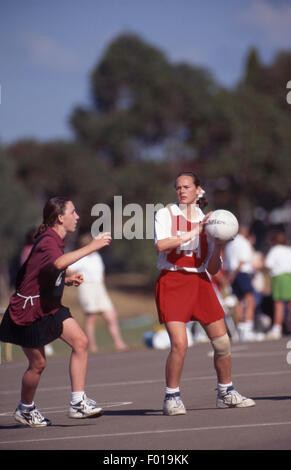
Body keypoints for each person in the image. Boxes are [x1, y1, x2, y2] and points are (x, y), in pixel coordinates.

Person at [0, 197, 112, 427]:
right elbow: (58, 263)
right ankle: (26, 408)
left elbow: (50, 270)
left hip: (49, 305)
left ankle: (78, 402)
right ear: (60, 217)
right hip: (28, 311)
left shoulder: (55, 240)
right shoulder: (47, 241)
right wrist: (92, 247)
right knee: (38, 365)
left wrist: (67, 279)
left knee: (81, 342)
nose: (78, 216)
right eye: (73, 212)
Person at [154, 171, 255, 415]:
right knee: (180, 344)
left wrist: (218, 245)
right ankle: (172, 397)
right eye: (178, 187)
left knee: (222, 342)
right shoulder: (166, 214)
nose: (181, 191)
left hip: (200, 280)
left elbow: (212, 267)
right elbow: (162, 244)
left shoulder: (210, 219)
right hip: (173, 279)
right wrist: (197, 229)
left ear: (198, 189)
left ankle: (226, 392)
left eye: (186, 186)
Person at [69, 233, 129, 353]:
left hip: (99, 287)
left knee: (111, 315)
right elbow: (69, 269)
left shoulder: (97, 256)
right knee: (91, 317)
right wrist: (75, 277)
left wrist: (102, 283)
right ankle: (92, 346)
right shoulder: (81, 257)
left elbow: (101, 271)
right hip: (87, 287)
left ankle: (119, 343)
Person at [223, 225, 261, 342]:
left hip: (233, 274)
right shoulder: (243, 242)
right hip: (241, 273)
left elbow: (227, 261)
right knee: (250, 300)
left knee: (239, 301)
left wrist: (231, 276)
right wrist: (235, 274)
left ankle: (240, 329)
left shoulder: (230, 243)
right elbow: (242, 260)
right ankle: (247, 328)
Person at [264, 230, 291, 340]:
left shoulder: (274, 250)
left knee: (279, 304)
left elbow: (268, 265)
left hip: (279, 278)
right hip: (289, 276)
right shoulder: (289, 250)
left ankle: (276, 329)